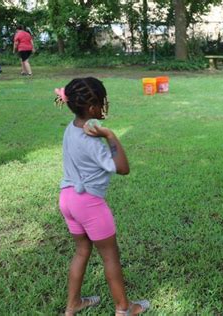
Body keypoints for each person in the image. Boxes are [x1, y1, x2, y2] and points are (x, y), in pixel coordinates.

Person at [55, 77, 150, 315]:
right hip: (88, 203)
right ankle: (124, 309)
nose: (104, 106)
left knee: (82, 251)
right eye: (101, 102)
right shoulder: (93, 140)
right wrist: (110, 136)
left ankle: (72, 305)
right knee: (110, 257)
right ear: (91, 108)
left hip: (67, 199)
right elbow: (123, 168)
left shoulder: (72, 127)